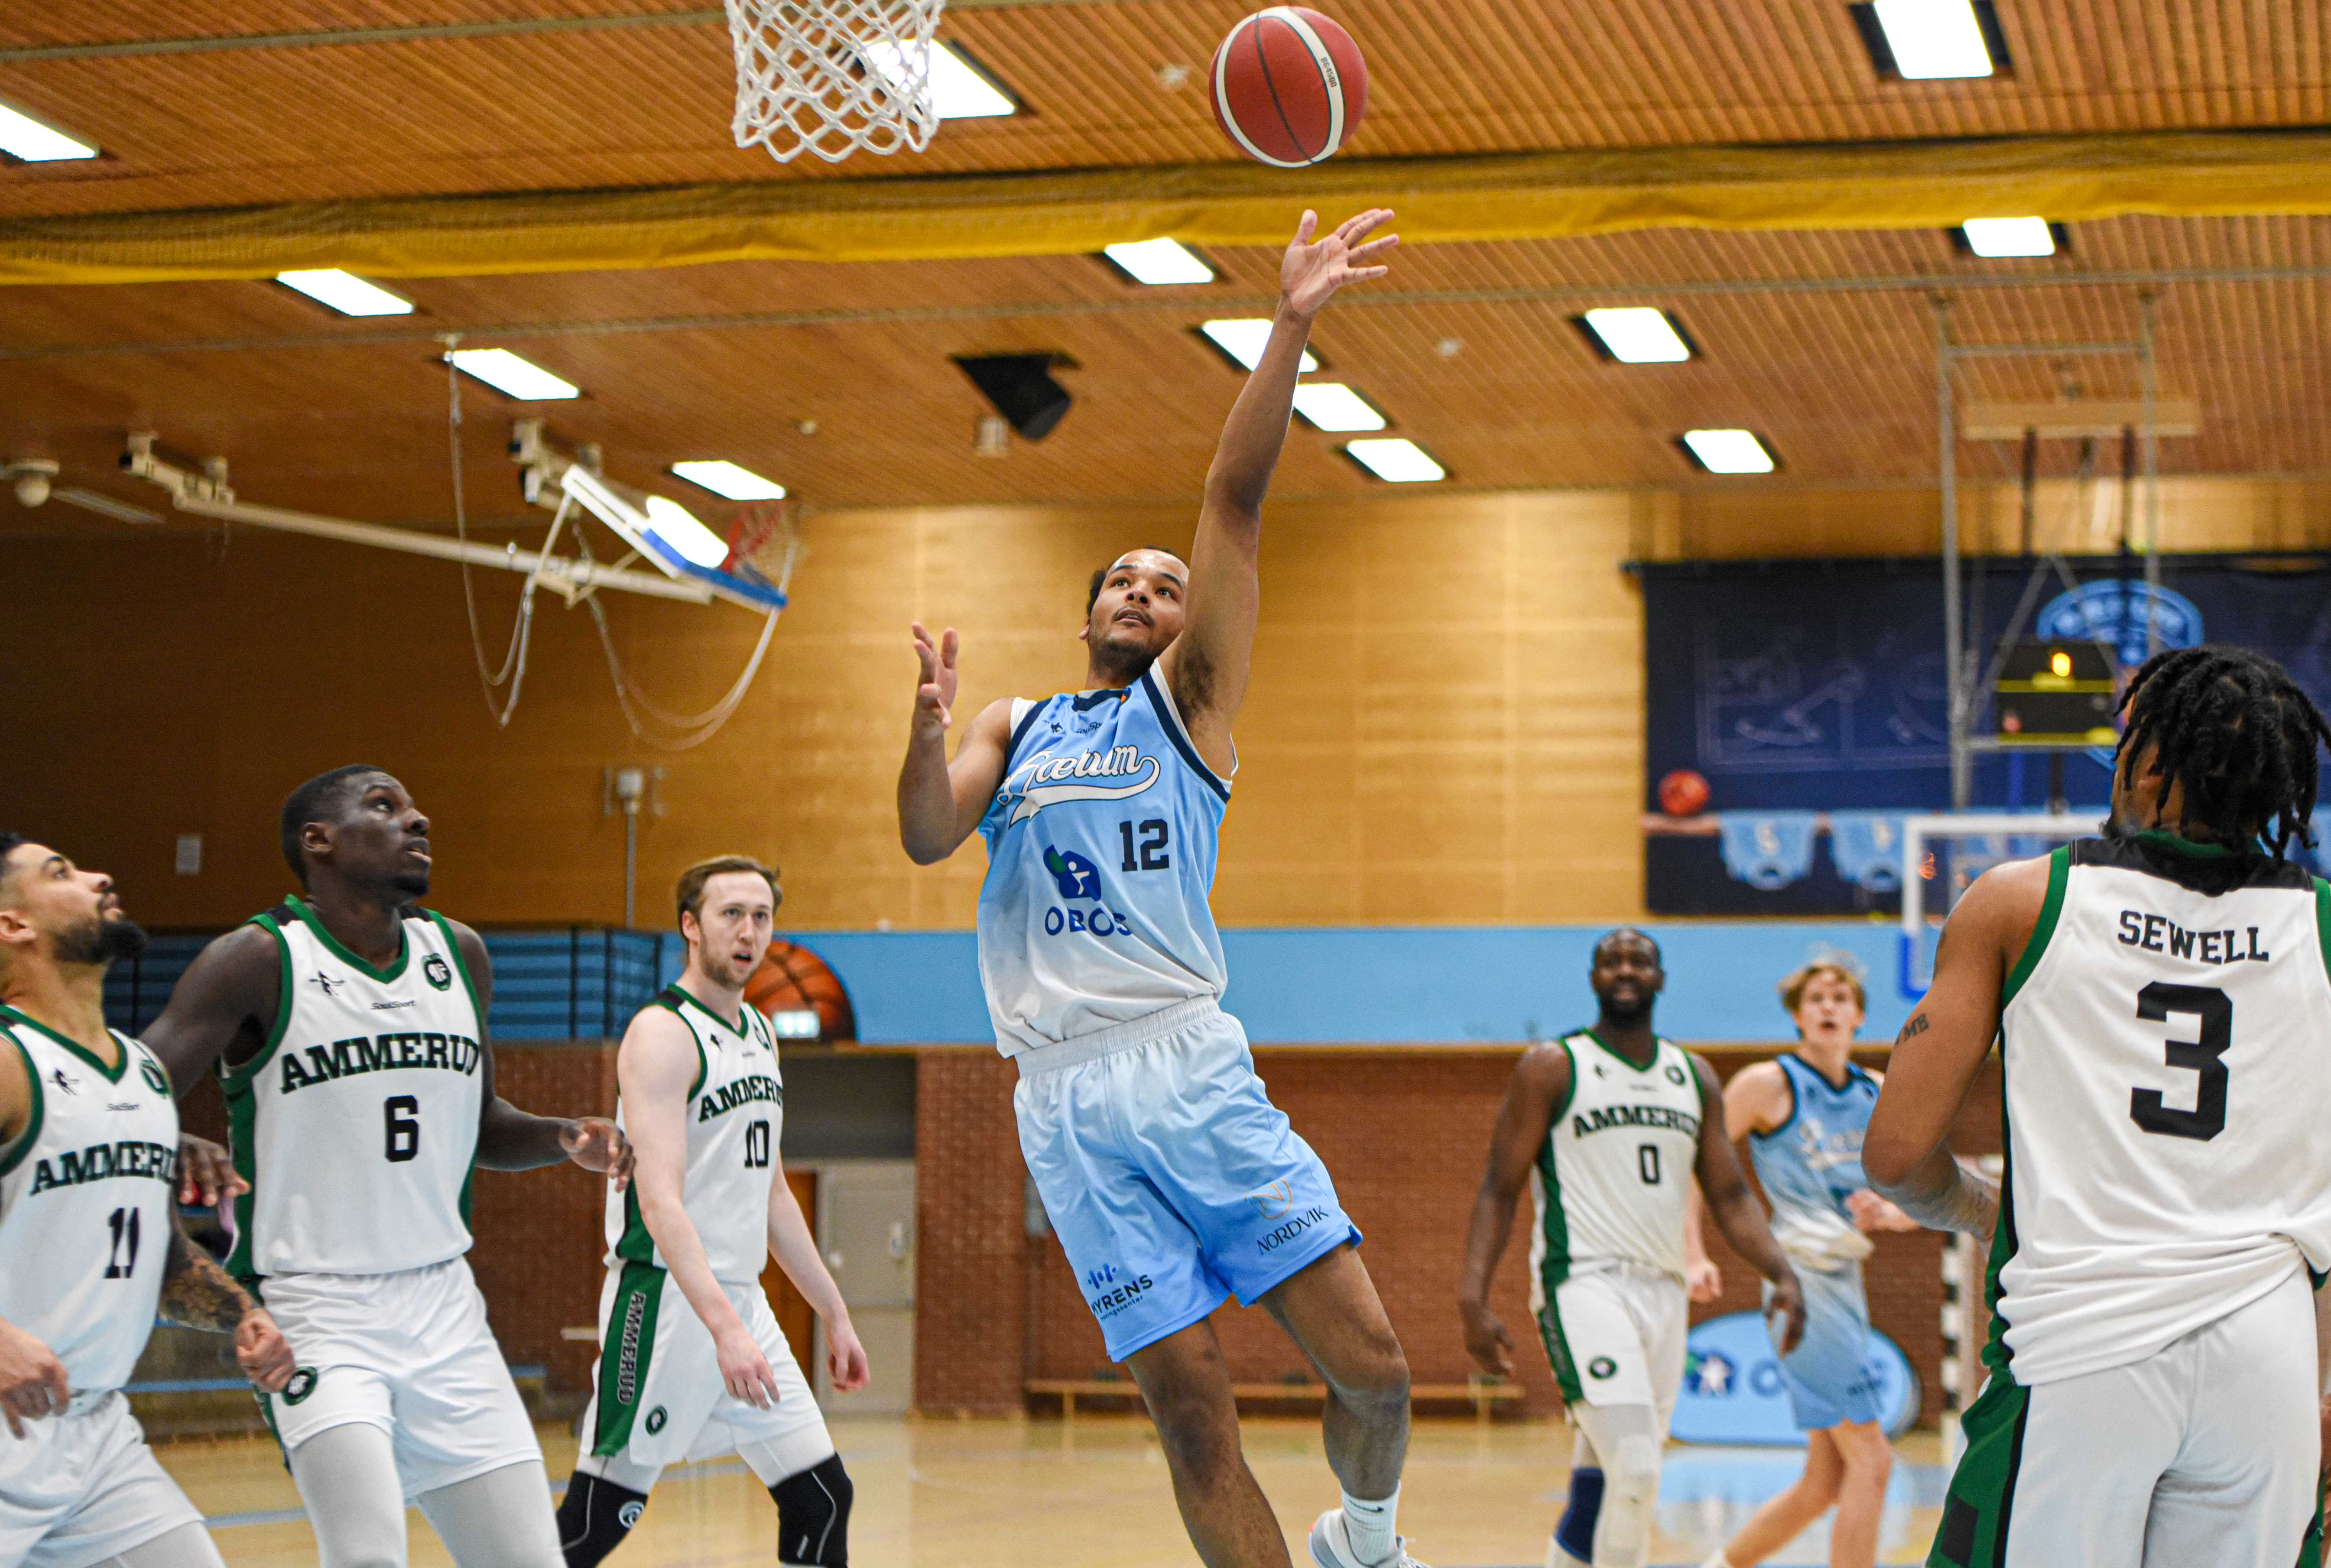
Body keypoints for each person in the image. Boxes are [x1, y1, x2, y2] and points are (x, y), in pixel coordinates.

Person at [896, 208, 1416, 1568]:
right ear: (1087, 617)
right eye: (1121, 579)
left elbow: (1234, 499)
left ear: (1196, 624)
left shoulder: (1190, 711)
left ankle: (1364, 1536)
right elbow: (922, 837)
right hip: (1064, 1100)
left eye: (1168, 581)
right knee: (1193, 1420)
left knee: (1377, 1368)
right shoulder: (1017, 725)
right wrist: (926, 720)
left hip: (1188, 1065)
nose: (1145, 585)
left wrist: (1291, 320)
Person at [1864, 644, 2331, 1568]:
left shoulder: (2017, 902)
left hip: (2079, 1346)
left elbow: (1893, 1154)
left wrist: (1975, 1208)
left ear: (2147, 767)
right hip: (2266, 1362)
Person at [142, 766, 633, 1568]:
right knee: (368, 1557)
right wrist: (172, 1140)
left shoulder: (459, 954)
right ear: (318, 841)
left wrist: (560, 1136)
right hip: (315, 1307)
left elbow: (479, 1123)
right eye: (385, 807)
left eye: (412, 806)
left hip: (444, 1306)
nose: (418, 818)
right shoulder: (257, 959)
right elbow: (125, 1093)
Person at [557, 856, 869, 1568]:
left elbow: (772, 1192)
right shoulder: (663, 1035)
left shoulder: (760, 1034)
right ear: (690, 927)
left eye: (762, 916)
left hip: (739, 1300)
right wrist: (724, 1331)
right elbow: (658, 1200)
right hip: (666, 1302)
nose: (749, 932)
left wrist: (835, 1312)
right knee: (595, 1522)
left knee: (822, 1499)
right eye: (732, 914)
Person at [1460, 929, 1808, 1568]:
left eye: (1639, 960)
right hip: (1584, 1284)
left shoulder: (1692, 1076)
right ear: (1593, 978)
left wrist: (1780, 1271)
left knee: (1603, 1483)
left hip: (1665, 1293)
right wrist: (1472, 1298)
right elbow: (1498, 1189)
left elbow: (1730, 1195)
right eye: (1611, 961)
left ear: (1661, 978)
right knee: (1641, 1470)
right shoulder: (1552, 1067)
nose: (1625, 970)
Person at [0, 834, 295, 1568]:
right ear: (13, 924)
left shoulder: (141, 1072)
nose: (102, 875)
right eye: (61, 873)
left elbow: (156, 1254)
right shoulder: (9, 1061)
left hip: (95, 1437)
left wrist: (242, 1314)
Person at [1690, 955, 1912, 1568]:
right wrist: (1693, 1251)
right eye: (1815, 998)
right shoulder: (1768, 1084)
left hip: (1848, 1281)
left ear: (1860, 1015)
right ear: (1797, 1015)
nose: (1828, 1007)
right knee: (1874, 1459)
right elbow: (1698, 1163)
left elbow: (1919, 1189)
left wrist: (1892, 1213)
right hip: (1799, 1285)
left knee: (1825, 1482)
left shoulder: (1876, 1090)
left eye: (1841, 998)